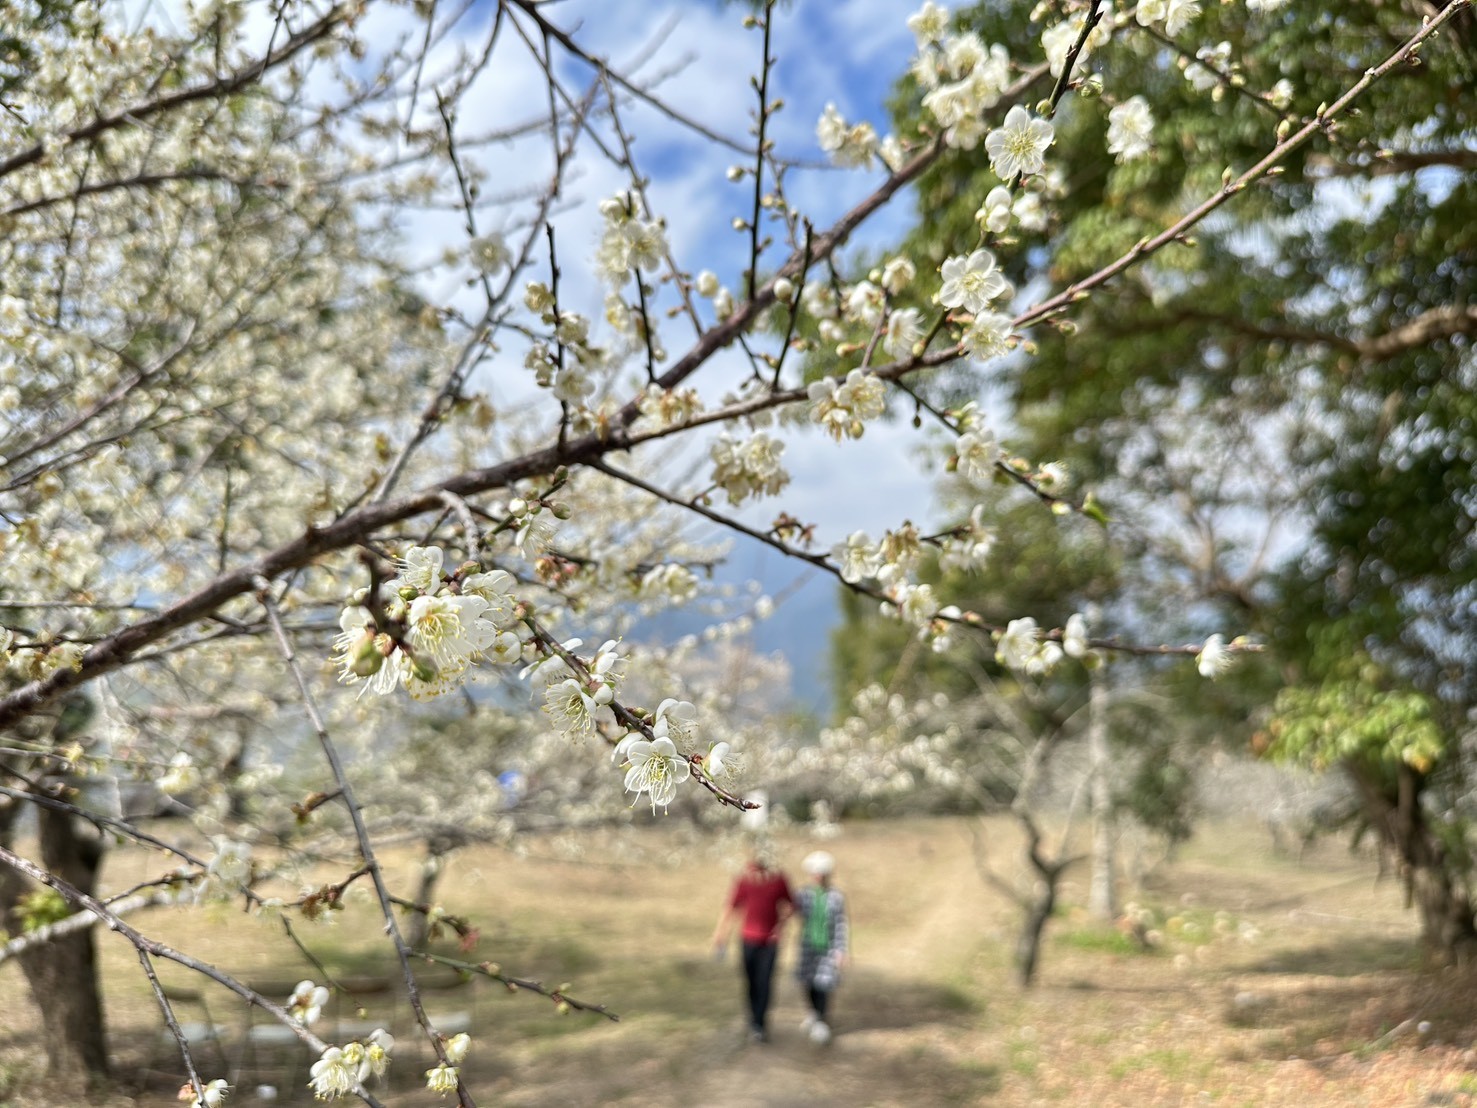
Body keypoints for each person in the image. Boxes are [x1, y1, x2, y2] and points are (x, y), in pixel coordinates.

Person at [711, 840, 793, 1043]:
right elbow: (731, 908)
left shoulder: (778, 880)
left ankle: (760, 1023)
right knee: (751, 982)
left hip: (770, 942)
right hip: (748, 939)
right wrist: (720, 935)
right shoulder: (744, 881)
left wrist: (779, 927)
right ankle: (753, 1019)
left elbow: (790, 905)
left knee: (765, 982)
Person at [794, 850, 848, 1045]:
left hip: (828, 946)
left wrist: (842, 950)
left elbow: (841, 924)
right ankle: (813, 1013)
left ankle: (821, 1019)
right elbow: (788, 911)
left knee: (825, 983)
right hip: (808, 946)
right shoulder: (802, 895)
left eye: (821, 873)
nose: (817, 876)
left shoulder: (836, 896)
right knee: (808, 981)